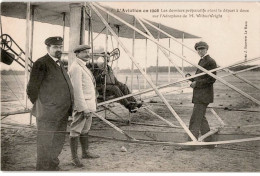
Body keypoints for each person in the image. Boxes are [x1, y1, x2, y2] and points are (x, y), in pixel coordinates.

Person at [27, 36, 74, 171]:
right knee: (45, 142)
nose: (59, 49)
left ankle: (53, 165)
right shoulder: (41, 63)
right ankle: (42, 169)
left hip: (62, 112)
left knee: (58, 141)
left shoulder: (60, 63)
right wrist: (44, 105)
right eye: (55, 47)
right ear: (48, 48)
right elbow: (32, 89)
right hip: (48, 113)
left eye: (60, 47)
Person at [68, 45, 100, 167]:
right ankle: (74, 158)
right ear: (77, 54)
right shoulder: (76, 67)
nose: (87, 54)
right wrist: (83, 108)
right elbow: (77, 90)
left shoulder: (83, 66)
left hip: (88, 104)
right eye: (84, 52)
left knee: (85, 129)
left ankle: (85, 152)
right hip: (82, 106)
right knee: (76, 130)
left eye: (88, 52)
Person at [184, 41, 217, 150]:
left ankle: (191, 145)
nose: (200, 51)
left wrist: (196, 83)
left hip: (203, 96)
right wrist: (191, 78)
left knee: (195, 119)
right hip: (200, 95)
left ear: (207, 49)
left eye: (202, 49)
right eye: (198, 49)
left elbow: (211, 79)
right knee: (201, 119)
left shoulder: (210, 61)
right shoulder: (202, 60)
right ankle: (209, 143)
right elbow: (200, 77)